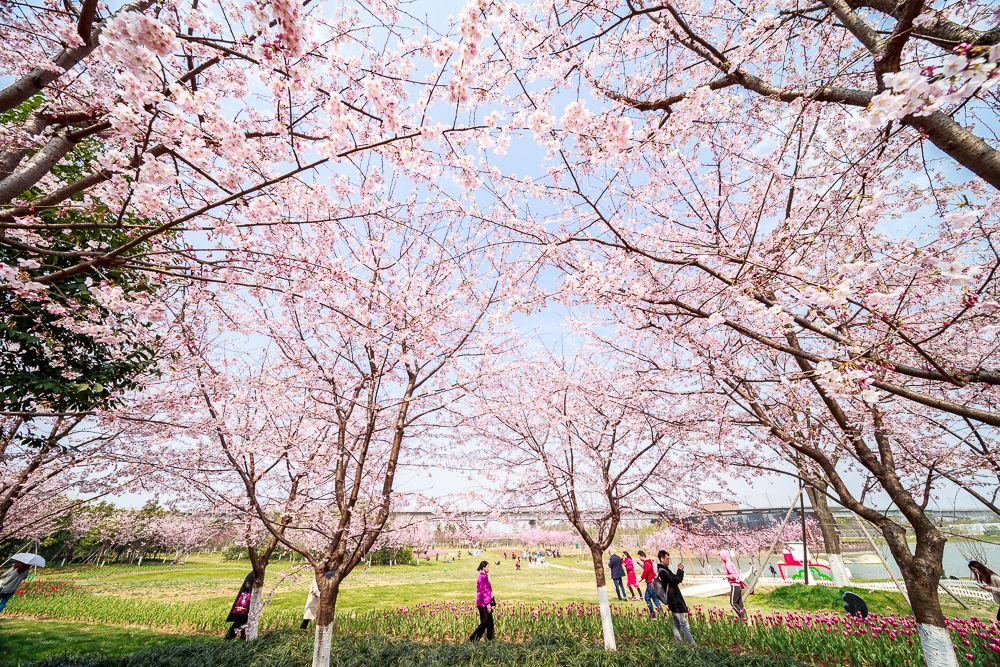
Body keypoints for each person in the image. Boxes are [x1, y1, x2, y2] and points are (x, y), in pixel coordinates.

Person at [655, 550, 695, 643]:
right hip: (673, 600)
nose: (669, 560)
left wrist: (680, 570)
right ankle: (692, 644)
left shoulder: (665, 570)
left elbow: (677, 579)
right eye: (667, 558)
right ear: (662, 559)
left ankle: (679, 642)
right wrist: (680, 570)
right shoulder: (662, 572)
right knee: (683, 623)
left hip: (674, 599)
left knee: (676, 623)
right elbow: (674, 580)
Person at [470, 560, 496, 641]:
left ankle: (490, 639)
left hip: (486, 602)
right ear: (483, 567)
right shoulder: (482, 577)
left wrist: (493, 601)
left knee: (490, 622)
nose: (489, 569)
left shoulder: (485, 576)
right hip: (482, 603)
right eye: (488, 567)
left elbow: (489, 590)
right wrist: (488, 604)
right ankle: (473, 638)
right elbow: (484, 592)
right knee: (484, 622)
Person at [224, 571, 255, 640]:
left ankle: (242, 637)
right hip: (245, 602)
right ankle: (230, 636)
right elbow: (247, 586)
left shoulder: (254, 573)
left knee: (244, 620)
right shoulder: (253, 574)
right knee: (240, 620)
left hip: (247, 602)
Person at [720, 550, 748, 622]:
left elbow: (734, 575)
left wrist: (726, 576)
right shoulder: (729, 563)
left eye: (720, 556)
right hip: (738, 586)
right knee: (739, 604)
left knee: (733, 603)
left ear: (724, 556)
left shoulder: (728, 564)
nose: (720, 558)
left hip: (735, 586)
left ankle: (743, 618)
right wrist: (723, 572)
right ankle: (746, 619)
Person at [638, 550, 663, 618]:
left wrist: (640, 579)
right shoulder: (649, 562)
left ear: (641, 556)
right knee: (647, 598)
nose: (639, 559)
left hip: (651, 583)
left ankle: (662, 615)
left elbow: (645, 573)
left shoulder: (647, 563)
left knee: (655, 599)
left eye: (639, 557)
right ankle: (652, 614)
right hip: (650, 582)